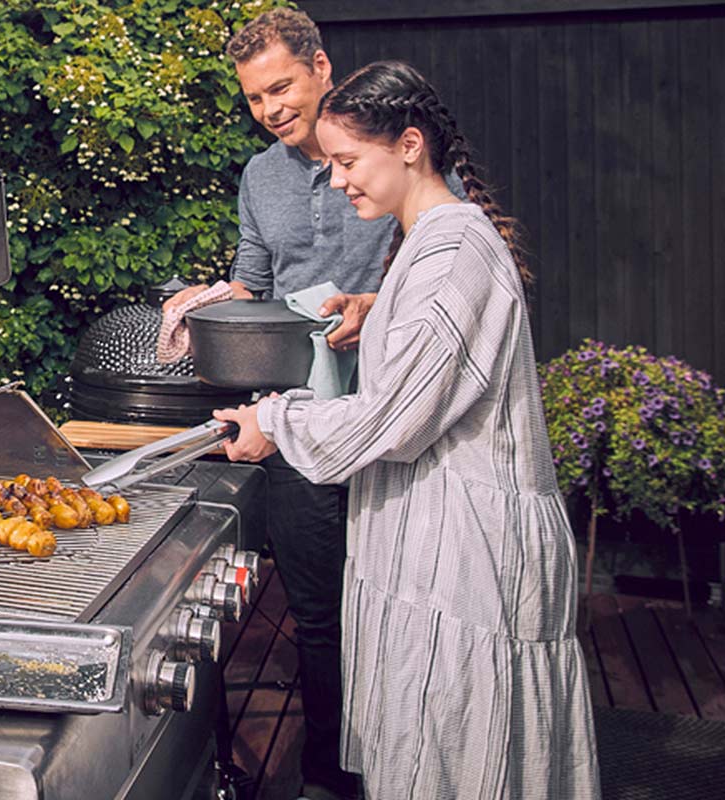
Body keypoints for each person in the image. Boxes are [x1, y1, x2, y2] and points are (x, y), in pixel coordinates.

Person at [215, 61, 601, 798]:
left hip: (470, 556)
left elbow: (397, 418)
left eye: (349, 162)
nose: (337, 182)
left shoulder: (451, 251)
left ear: (411, 145)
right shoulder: (429, 243)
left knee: (464, 757)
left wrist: (275, 420)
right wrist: (374, 307)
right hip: (437, 542)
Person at [163, 10, 377, 798]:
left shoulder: (390, 149)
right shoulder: (261, 176)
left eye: (281, 86)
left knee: (399, 605)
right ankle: (332, 774)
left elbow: (447, 256)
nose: (272, 109)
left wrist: (372, 304)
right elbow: (253, 282)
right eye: (255, 98)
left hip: (395, 413)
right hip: (299, 419)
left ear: (322, 66)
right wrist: (208, 301)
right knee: (320, 616)